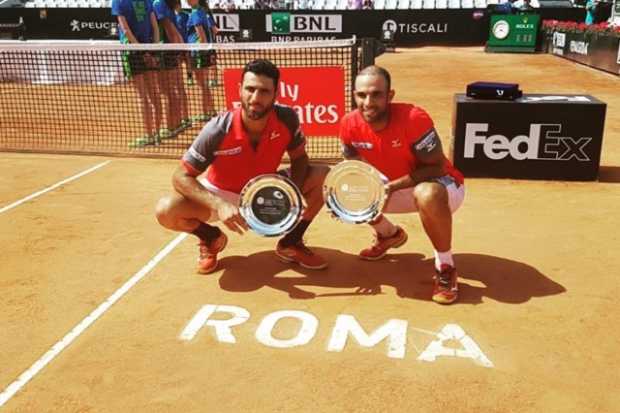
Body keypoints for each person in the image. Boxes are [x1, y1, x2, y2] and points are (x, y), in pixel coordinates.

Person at [155, 59, 329, 274]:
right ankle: (211, 238)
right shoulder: (217, 129)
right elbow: (180, 176)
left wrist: (293, 191)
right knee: (166, 210)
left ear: (275, 94)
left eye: (264, 91)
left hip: (263, 191)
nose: (255, 98)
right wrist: (219, 204)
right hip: (219, 195)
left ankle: (291, 243)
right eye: (250, 89)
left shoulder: (287, 119)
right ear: (240, 90)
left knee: (322, 175)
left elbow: (300, 158)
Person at [338, 65, 465, 305]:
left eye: (376, 94)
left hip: (443, 188)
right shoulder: (348, 124)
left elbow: (436, 168)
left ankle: (445, 266)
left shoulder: (413, 118)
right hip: (395, 188)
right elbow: (354, 169)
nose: (368, 102)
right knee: (344, 185)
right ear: (353, 95)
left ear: (390, 96)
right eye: (361, 95)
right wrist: (351, 198)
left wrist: (390, 187)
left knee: (426, 192)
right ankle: (388, 235)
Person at [111, 0, 163, 147]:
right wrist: (152, 50)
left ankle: (149, 136)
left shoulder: (118, 2)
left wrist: (141, 51)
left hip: (132, 52)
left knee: (143, 96)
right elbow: (155, 27)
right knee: (154, 93)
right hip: (149, 49)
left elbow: (126, 30)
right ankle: (157, 134)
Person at [153, 0, 191, 140]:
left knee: (167, 91)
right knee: (174, 90)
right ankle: (177, 123)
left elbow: (171, 30)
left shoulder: (158, 4)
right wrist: (181, 50)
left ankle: (170, 127)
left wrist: (177, 50)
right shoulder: (168, 5)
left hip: (165, 51)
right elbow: (176, 32)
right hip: (172, 50)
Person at [187, 0, 219, 123]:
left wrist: (203, 51)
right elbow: (212, 32)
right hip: (204, 51)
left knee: (202, 85)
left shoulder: (195, 13)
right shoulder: (203, 11)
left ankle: (206, 112)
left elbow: (202, 37)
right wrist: (210, 51)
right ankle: (211, 110)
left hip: (198, 52)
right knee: (204, 85)